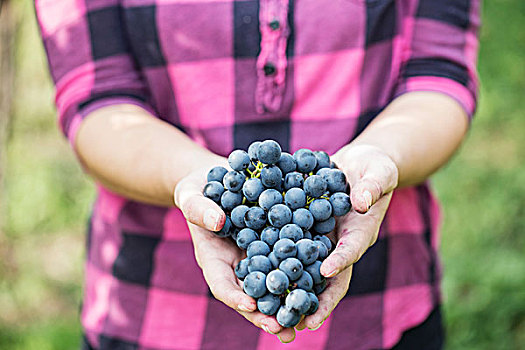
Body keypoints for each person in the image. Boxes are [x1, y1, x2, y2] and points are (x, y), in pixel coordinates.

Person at [36, 0, 480, 349]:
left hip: (381, 306)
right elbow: (97, 106)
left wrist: (381, 154)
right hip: (150, 308)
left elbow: (439, 79)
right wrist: (193, 176)